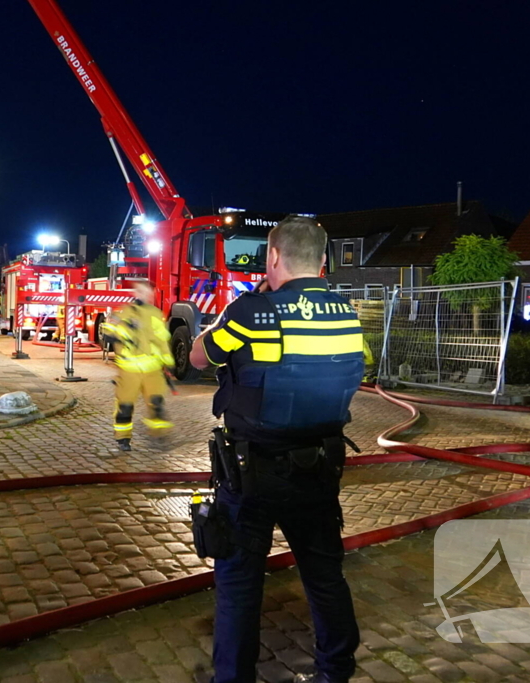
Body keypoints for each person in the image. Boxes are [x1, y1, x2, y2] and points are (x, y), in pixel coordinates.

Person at [190, 216, 364, 683]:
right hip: (319, 470)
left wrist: (219, 322)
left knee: (239, 585)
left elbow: (199, 357)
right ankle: (335, 670)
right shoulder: (347, 313)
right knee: (325, 577)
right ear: (323, 261)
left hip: (252, 474)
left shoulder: (251, 313)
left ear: (272, 256)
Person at [100, 281, 175, 451]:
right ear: (135, 293)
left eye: (147, 292)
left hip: (152, 369)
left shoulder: (155, 313)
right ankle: (123, 438)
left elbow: (162, 339)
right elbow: (110, 330)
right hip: (129, 370)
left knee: (156, 404)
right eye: (140, 291)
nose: (144, 294)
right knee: (125, 405)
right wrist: (118, 333)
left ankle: (159, 435)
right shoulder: (124, 312)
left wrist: (168, 362)